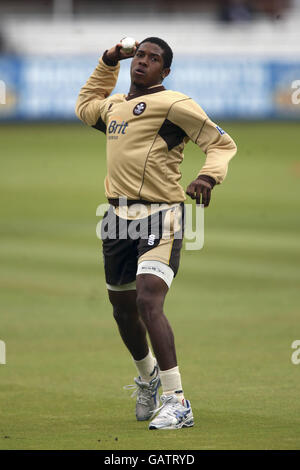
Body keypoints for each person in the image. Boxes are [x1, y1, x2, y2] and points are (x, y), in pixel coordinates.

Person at [75, 37, 237, 430]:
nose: (143, 62)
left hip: (161, 215)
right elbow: (84, 106)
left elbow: (220, 143)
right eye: (140, 56)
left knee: (149, 299)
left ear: (165, 71)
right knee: (123, 310)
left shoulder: (174, 104)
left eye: (153, 59)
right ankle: (147, 378)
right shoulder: (114, 107)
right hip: (116, 218)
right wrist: (109, 59)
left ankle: (177, 400)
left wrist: (207, 177)